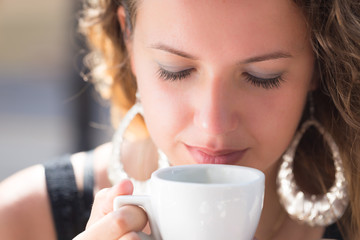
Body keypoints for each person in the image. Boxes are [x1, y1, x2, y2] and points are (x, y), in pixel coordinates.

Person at [0, 0, 359, 239]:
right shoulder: (18, 220)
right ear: (129, 40)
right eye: (176, 70)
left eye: (262, 76)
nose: (213, 124)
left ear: (319, 63)